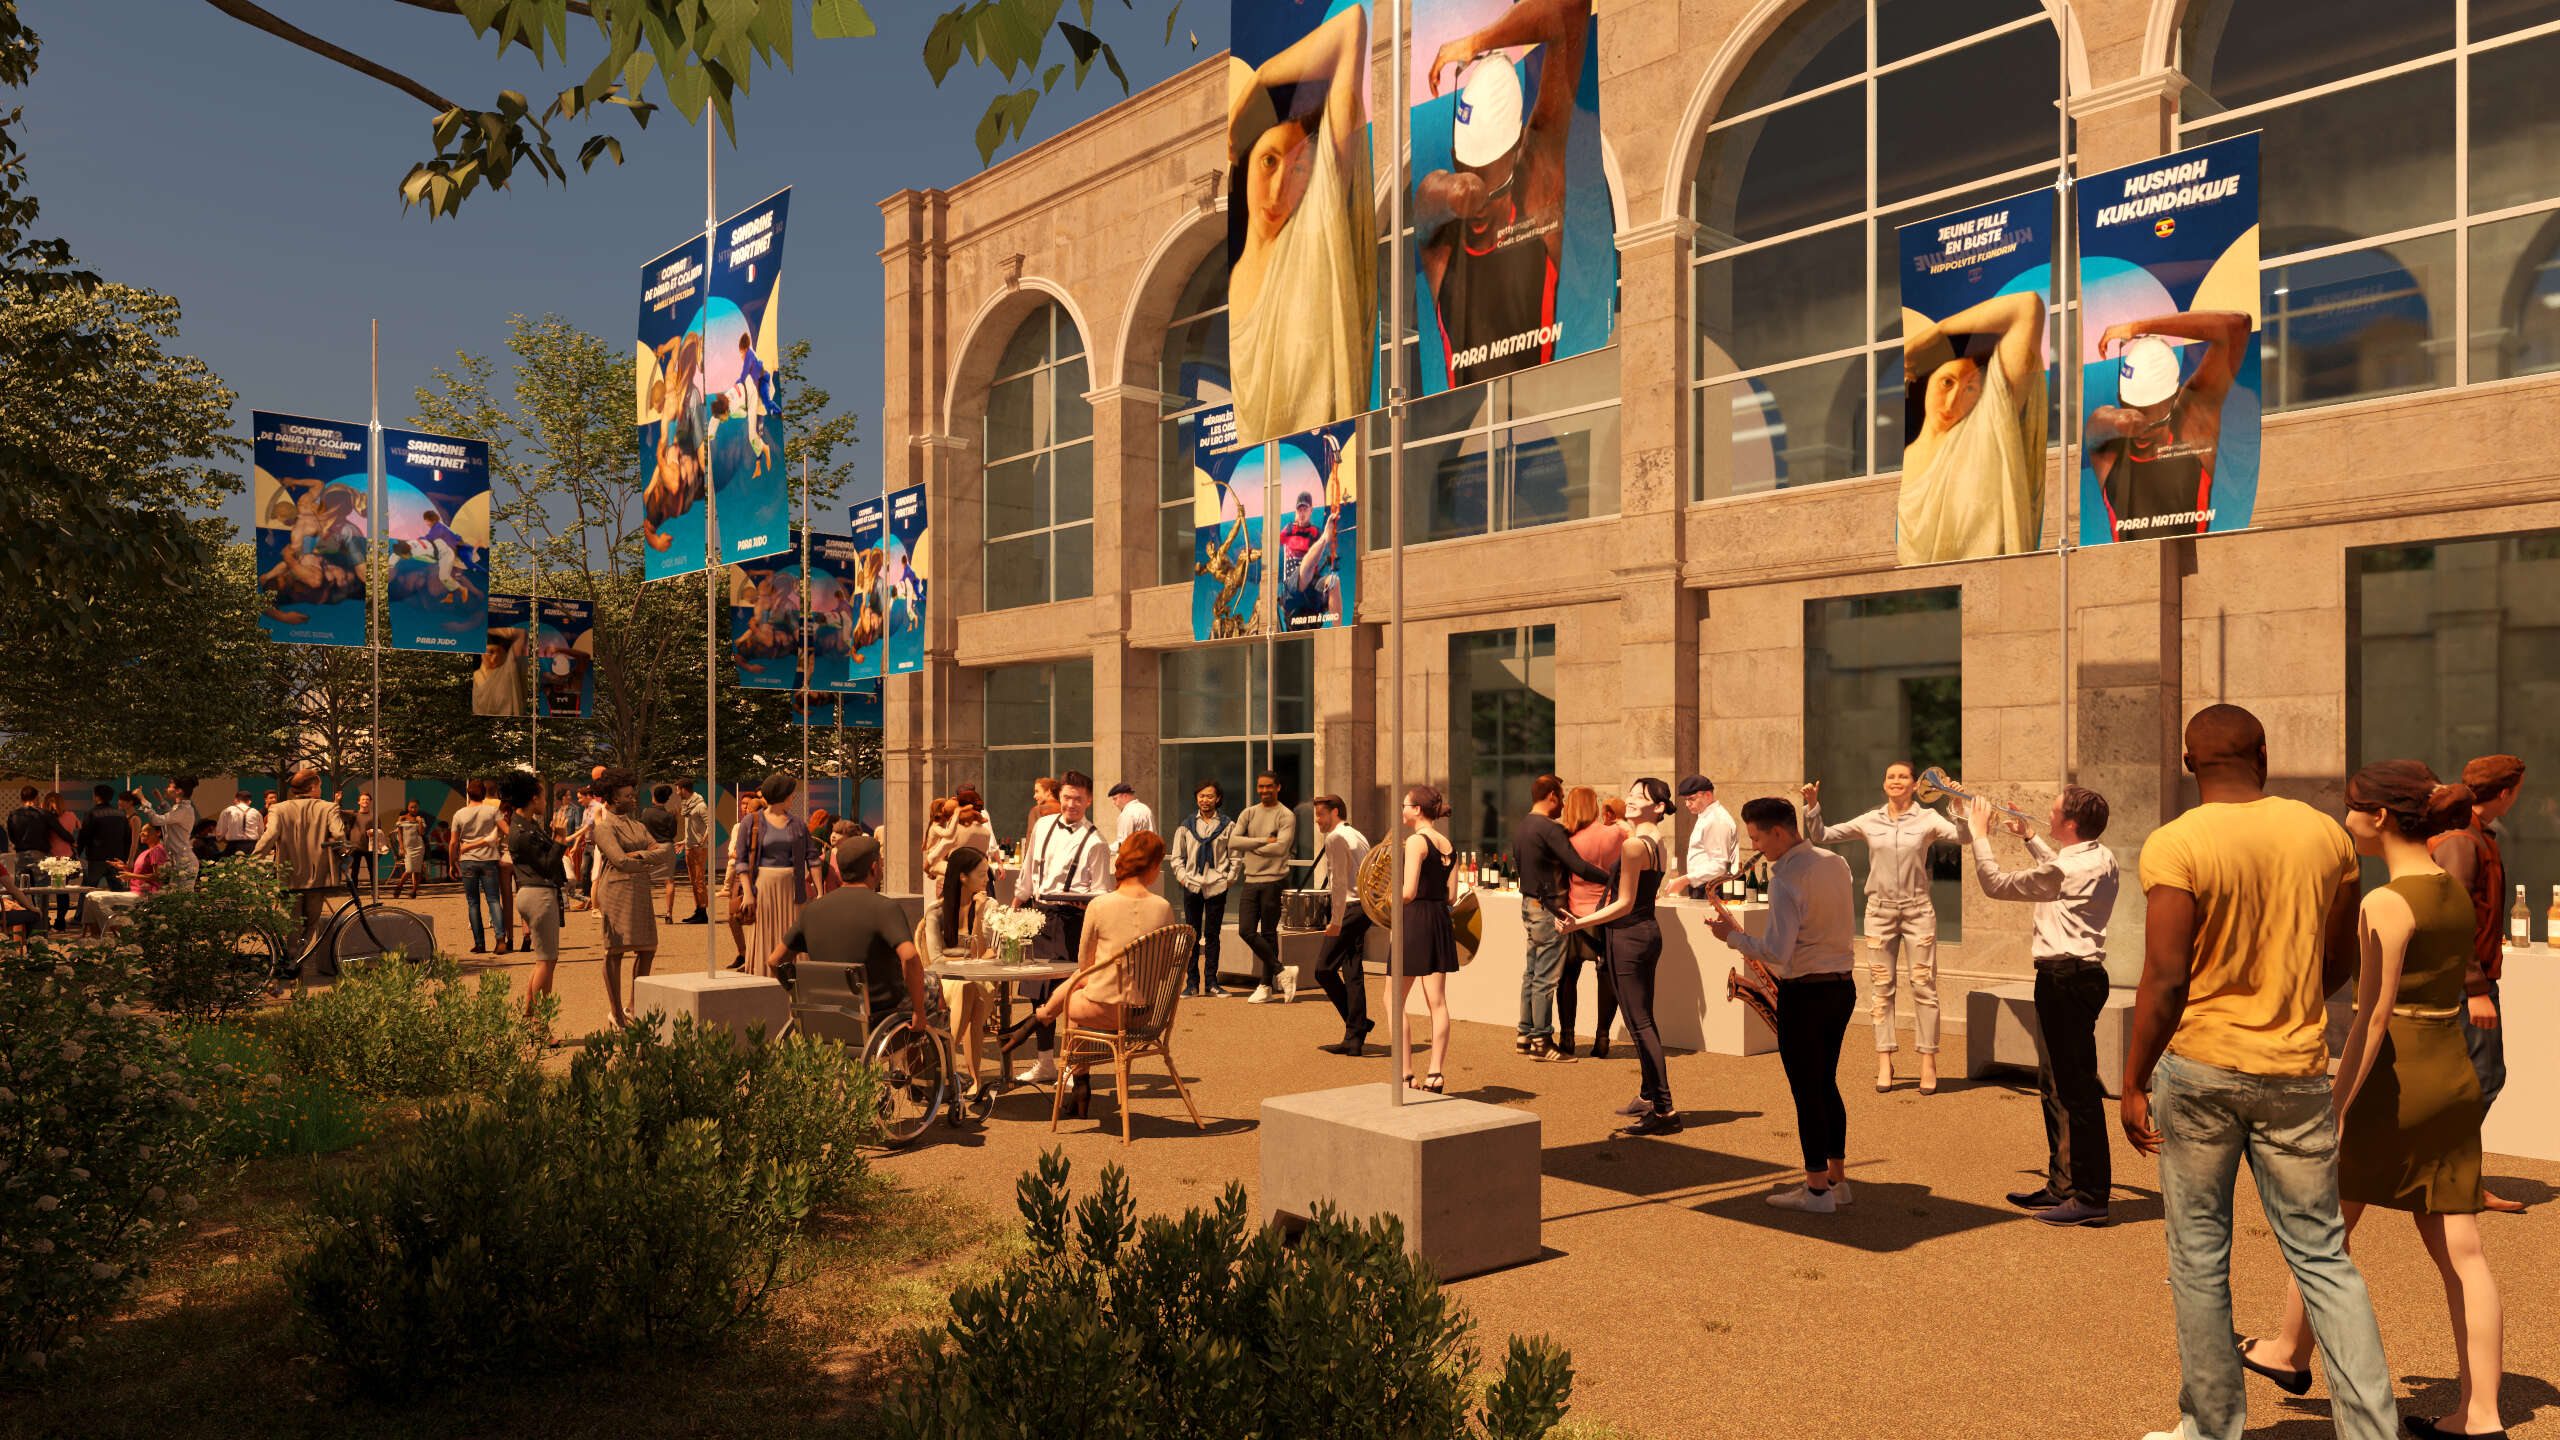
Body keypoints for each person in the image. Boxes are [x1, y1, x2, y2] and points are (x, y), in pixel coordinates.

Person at [2119, 704, 2397, 1440]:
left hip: (2202, 1067)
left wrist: (2132, 1079)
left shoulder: (2175, 843)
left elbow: (2166, 977)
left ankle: (2211, 1428)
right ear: (2263, 754)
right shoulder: (2326, 836)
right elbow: (2336, 960)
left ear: (2188, 764)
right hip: (2297, 1070)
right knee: (2322, 1257)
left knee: (2200, 1253)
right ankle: (2371, 1431)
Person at [2237, 761, 2504, 1440]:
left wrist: (2334, 1107)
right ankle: (2482, 1416)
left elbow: (2373, 1018)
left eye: (2351, 806)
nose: (2345, 816)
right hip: (2450, 1079)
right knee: (2459, 1253)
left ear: (2379, 817)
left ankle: (2289, 1351)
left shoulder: (2384, 901)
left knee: (2321, 1223)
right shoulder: (2448, 884)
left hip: (2396, 1082)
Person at [1415, 0, 1592, 390]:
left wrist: (1477, 40)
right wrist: (1455, 190)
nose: (1477, 203)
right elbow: (1426, 202)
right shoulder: (1443, 245)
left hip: (1541, 418)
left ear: (1514, 161)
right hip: (1466, 435)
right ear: (1453, 160)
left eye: (1492, 189)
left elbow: (1573, 9)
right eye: (1466, 174)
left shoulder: (1536, 195)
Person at [1963, 788, 2120, 1227]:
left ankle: (2090, 1197)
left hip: (2066, 980)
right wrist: (2031, 838)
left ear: (2069, 823)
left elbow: (1995, 885)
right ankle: (2063, 1185)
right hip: (2074, 978)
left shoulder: (2071, 866)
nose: (2044, 813)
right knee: (2056, 1086)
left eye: (2052, 812)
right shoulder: (2098, 854)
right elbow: (2059, 869)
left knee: (2076, 1092)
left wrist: (1979, 835)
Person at [1224, 1, 1375, 444]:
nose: (1277, 191)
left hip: (1336, 485)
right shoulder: (1231, 282)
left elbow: (1350, 26)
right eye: (1269, 162)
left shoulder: (1315, 224)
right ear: (1246, 162)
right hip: (1263, 494)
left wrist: (1260, 77)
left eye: (1300, 169)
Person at [1707, 797, 1859, 1213]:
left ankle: (1815, 1192)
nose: (1757, 847)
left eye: (1757, 837)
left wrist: (1732, 937)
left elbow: (1776, 949)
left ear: (1779, 831)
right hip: (1842, 988)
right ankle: (1836, 1180)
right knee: (1826, 1083)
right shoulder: (1835, 862)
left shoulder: (1786, 876)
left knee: (1807, 1090)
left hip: (1807, 992)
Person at [1803, 762, 1960, 1094]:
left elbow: (1963, 837)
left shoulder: (1928, 819)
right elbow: (1823, 835)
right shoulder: (1870, 820)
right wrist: (1813, 806)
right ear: (1884, 783)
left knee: (1924, 986)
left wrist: (1956, 805)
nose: (1896, 781)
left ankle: (1928, 1062)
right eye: (1891, 777)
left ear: (1916, 784)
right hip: (1879, 912)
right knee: (1881, 988)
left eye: (1903, 776)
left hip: (1918, 911)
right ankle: (1884, 1061)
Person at [1015, 830, 1179, 1121]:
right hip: (1146, 1015)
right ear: (1153, 867)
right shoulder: (1164, 907)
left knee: (1077, 996)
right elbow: (1165, 969)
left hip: (1105, 1010)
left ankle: (1075, 1075)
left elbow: (1084, 966)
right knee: (1080, 989)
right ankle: (1070, 1069)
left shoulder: (1100, 905)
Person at [2429, 753, 2528, 1215]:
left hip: (2472, 976)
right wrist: (2475, 987)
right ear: (2505, 793)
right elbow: (2452, 917)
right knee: (2482, 1079)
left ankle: (2454, 1177)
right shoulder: (2463, 841)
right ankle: (2452, 1179)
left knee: (2477, 1080)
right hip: (2467, 983)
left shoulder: (2475, 835)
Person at [1896, 290, 2049, 565]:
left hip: (1996, 585)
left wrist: (1939, 330)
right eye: (1947, 382)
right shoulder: (1903, 461)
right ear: (1925, 383)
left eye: (1971, 388)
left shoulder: (1984, 427)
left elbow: (2027, 305)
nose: (1954, 400)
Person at [1561, 780, 1678, 1133]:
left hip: (1629, 935)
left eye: (1640, 796)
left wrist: (1578, 923)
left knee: (1639, 1023)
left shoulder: (1632, 847)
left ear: (1658, 807)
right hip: (1645, 932)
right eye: (1630, 792)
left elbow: (1623, 903)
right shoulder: (1655, 841)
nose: (1630, 799)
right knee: (1643, 1020)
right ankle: (1648, 1096)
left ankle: (1664, 1111)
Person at [2085, 310, 2251, 541]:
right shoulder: (2109, 445)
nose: (2140, 427)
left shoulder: (2194, 422)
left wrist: (2140, 325)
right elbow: (2096, 427)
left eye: (2151, 420)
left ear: (2174, 400)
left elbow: (2237, 325)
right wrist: (2120, 422)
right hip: (2129, 573)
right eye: (2129, 407)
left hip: (2192, 572)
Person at [771, 837, 932, 1062]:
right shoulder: (885, 909)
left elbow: (775, 960)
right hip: (879, 1015)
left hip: (822, 1016)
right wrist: (919, 1012)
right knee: (935, 993)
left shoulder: (813, 910)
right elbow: (910, 957)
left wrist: (799, 995)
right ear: (874, 868)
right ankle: (924, 1082)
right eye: (882, 864)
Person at [1014, 771, 1111, 1085]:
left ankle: (1072, 1064)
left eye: (1078, 799)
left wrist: (1085, 903)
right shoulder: (1042, 825)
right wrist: (1018, 899)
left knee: (1069, 994)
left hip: (1072, 920)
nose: (1071, 804)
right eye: (1067, 797)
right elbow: (1030, 866)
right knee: (1036, 992)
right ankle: (1044, 1062)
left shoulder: (1096, 840)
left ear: (1089, 800)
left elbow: (1103, 892)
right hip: (1039, 914)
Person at [1512, 773, 1613, 1061]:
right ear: (1552, 796)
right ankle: (1542, 1041)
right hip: (1550, 909)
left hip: (1528, 904)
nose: (1564, 804)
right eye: (1562, 797)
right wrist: (1610, 878)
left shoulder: (1522, 827)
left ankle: (1525, 1034)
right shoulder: (1549, 829)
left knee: (1531, 973)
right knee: (1545, 977)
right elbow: (1578, 865)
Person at [590, 768, 678, 1028]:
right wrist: (644, 856)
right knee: (614, 951)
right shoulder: (604, 828)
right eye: (629, 794)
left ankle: (634, 1006)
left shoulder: (637, 825)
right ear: (616, 798)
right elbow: (619, 862)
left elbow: (663, 852)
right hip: (616, 892)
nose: (634, 797)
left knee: (648, 948)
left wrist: (636, 856)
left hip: (640, 890)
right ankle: (616, 1012)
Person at [1394, 785, 1460, 1093]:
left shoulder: (1416, 842)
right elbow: (1452, 896)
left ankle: (1406, 1073)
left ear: (1417, 809)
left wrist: (1385, 898)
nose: (1402, 809)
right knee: (1438, 1002)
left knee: (1393, 1000)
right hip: (1439, 921)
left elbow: (1406, 893)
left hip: (1414, 920)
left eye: (1405, 805)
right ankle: (1435, 1073)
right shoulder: (1447, 844)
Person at [252, 769, 348, 967]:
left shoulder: (278, 809)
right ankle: (299, 960)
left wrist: (253, 861)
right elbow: (339, 836)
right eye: (320, 786)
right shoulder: (329, 808)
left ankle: (292, 958)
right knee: (311, 922)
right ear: (312, 787)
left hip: (288, 875)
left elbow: (270, 836)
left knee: (292, 924)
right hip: (317, 877)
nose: (321, 789)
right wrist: (344, 852)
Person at [1557, 785, 1623, 1060]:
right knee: (1606, 976)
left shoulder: (1567, 839)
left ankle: (1567, 1036)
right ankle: (1603, 1037)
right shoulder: (1615, 834)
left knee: (1567, 978)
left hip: (1574, 914)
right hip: (1606, 912)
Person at [928, 844, 998, 1096]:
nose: (986, 879)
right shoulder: (936, 912)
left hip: (979, 978)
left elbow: (988, 952)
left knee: (973, 992)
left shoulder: (988, 907)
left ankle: (940, 1066)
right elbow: (936, 959)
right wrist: (966, 963)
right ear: (963, 877)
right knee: (972, 998)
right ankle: (965, 1075)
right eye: (981, 874)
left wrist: (978, 917)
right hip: (946, 981)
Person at [501, 772, 567, 1021]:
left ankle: (530, 1013)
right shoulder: (522, 832)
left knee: (542, 960)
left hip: (535, 894)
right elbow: (547, 865)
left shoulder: (525, 825)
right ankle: (541, 1024)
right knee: (547, 962)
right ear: (532, 798)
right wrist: (559, 839)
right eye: (543, 797)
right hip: (539, 895)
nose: (545, 802)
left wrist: (557, 838)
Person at [1310, 795, 1373, 1054]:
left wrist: (1335, 921)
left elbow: (1337, 884)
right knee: (1352, 971)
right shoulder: (1357, 835)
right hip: (1364, 908)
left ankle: (1358, 1024)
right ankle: (1354, 1038)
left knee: (1323, 970)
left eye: (1320, 815)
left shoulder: (1335, 838)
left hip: (1349, 909)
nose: (1317, 821)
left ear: (1335, 812)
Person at [733, 774, 811, 981]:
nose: (793, 797)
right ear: (783, 795)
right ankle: (765, 978)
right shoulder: (752, 821)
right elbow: (740, 860)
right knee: (765, 930)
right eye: (791, 793)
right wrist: (748, 893)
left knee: (793, 929)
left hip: (792, 886)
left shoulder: (797, 823)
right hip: (764, 886)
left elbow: (810, 855)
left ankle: (797, 982)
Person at [1169, 781, 1241, 997]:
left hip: (1217, 886)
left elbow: (1235, 856)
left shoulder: (1229, 826)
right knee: (1191, 935)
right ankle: (1191, 984)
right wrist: (1183, 878)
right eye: (1201, 796)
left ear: (1218, 799)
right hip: (1192, 885)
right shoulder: (1186, 825)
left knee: (1212, 935)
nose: (1205, 800)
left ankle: (1211, 982)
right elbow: (1176, 857)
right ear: (1196, 798)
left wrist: (1229, 880)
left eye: (1209, 796)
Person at [1234, 771, 1298, 1004]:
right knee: (1246, 931)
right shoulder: (1249, 813)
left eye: (1269, 786)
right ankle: (1282, 971)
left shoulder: (1286, 815)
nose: (1264, 791)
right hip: (1251, 880)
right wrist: (1263, 842)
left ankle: (1265, 986)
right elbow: (1233, 841)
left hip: (1274, 880)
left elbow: (1281, 848)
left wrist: (1250, 845)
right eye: (1261, 787)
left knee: (1269, 933)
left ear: (1277, 787)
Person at [446, 780, 505, 954]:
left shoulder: (459, 814)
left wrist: (452, 863)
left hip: (468, 861)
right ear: (484, 793)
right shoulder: (493, 811)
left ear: (468, 794)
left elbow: (453, 842)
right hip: (489, 860)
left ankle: (479, 943)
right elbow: (505, 830)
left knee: (473, 903)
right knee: (493, 900)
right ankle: (500, 938)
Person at [1663, 775, 1740, 901]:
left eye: (1692, 799)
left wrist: (1685, 880)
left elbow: (1719, 865)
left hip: (1713, 887)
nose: (1687, 804)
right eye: (1685, 800)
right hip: (1703, 886)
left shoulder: (1716, 819)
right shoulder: (1706, 816)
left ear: (1708, 795)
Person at [130, 777, 199, 895]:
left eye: (169, 786)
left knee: (182, 901)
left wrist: (142, 799)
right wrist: (160, 800)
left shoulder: (183, 809)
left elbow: (157, 820)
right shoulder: (180, 808)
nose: (166, 788)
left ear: (179, 791)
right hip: (179, 860)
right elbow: (170, 814)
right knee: (177, 900)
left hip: (184, 862)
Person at [76, 784, 132, 893]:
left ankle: (82, 911)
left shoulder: (92, 813)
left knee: (87, 890)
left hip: (96, 859)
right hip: (116, 859)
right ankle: (120, 909)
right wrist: (124, 858)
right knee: (117, 890)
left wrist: (78, 853)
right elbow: (127, 838)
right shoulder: (121, 815)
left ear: (96, 797)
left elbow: (84, 836)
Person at [672, 778, 712, 924]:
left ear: (683, 789)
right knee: (693, 881)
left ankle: (703, 912)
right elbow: (694, 828)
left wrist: (702, 842)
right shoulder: (688, 805)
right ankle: (698, 910)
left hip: (698, 849)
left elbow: (710, 825)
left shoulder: (700, 805)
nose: (677, 792)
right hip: (689, 847)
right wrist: (684, 841)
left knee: (699, 880)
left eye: (678, 789)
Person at [390, 799, 428, 900]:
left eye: (415, 807)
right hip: (408, 848)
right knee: (410, 869)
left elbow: (421, 833)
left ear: (418, 807)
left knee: (417, 871)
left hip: (419, 847)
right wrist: (401, 847)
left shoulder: (420, 819)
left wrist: (419, 822)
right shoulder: (402, 819)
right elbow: (399, 835)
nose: (413, 809)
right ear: (408, 807)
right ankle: (399, 887)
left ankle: (414, 891)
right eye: (411, 807)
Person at [1108, 782, 1156, 853]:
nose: (1114, 803)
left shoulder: (1127, 813)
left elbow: (1124, 843)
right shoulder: (1145, 808)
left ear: (1125, 796)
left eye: (1115, 799)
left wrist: (1106, 849)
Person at [216, 791, 262, 857]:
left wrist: (222, 839)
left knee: (232, 866)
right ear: (249, 801)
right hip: (252, 847)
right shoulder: (256, 813)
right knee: (251, 866)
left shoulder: (228, 811)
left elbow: (220, 834)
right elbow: (261, 833)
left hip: (234, 846)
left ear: (236, 800)